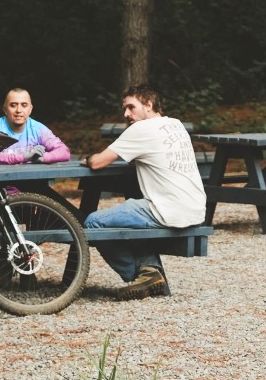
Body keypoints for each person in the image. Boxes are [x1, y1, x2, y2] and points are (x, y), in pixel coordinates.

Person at [84, 85, 206, 300]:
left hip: (167, 210)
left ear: (148, 105)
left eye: (131, 107)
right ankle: (150, 272)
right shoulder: (175, 124)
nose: (126, 114)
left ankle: (143, 276)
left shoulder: (141, 130)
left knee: (94, 222)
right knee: (130, 209)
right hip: (195, 209)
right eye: (125, 108)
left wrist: (87, 158)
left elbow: (98, 162)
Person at [0, 87, 71, 164]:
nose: (19, 110)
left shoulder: (38, 129)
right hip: (0, 183)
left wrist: (43, 158)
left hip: (32, 182)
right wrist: (24, 157)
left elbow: (64, 151)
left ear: (30, 109)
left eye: (24, 105)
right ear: (5, 110)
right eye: (13, 105)